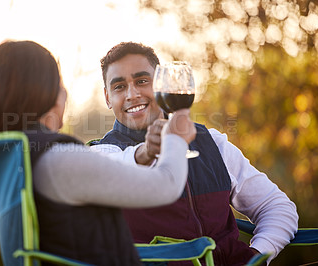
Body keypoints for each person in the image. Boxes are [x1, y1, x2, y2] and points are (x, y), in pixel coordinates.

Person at [0, 40, 197, 266]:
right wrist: (175, 139)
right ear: (42, 91)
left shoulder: (13, 158)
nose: (65, 93)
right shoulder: (58, 160)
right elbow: (166, 185)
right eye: (59, 84)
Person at [89, 42, 299, 265]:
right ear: (107, 97)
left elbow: (277, 207)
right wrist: (148, 152)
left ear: (161, 85)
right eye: (119, 87)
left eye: (142, 81)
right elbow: (117, 169)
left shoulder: (212, 143)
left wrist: (256, 257)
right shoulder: (100, 155)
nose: (132, 94)